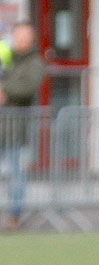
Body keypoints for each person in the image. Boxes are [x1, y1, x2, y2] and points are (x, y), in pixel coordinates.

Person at [0, 21, 45, 231]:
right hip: (2, 128)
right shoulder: (7, 59)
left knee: (17, 175)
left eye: (24, 37)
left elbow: (26, 87)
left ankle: (15, 216)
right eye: (17, 37)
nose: (20, 42)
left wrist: (5, 91)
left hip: (17, 130)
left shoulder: (34, 63)